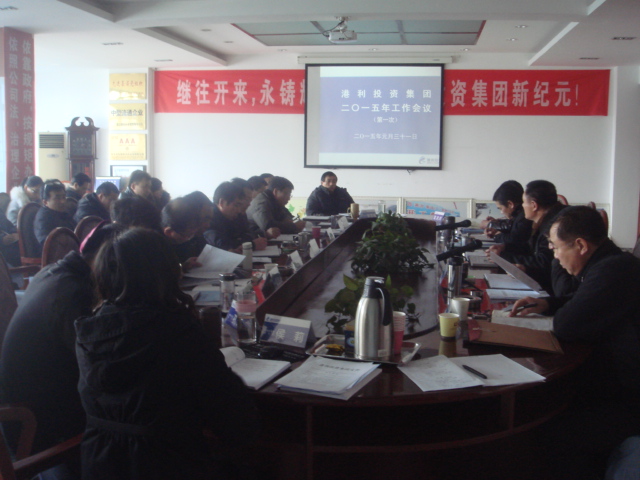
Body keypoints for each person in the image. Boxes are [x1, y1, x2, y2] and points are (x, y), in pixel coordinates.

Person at [75, 228, 259, 480]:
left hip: (100, 463)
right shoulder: (177, 331)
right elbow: (232, 417)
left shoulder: (88, 331)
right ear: (166, 273)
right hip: (168, 462)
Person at [511, 206, 640, 480]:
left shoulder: (614, 269)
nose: (555, 256)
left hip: (628, 398)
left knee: (549, 430)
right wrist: (548, 304)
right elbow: (583, 299)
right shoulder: (611, 263)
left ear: (580, 245)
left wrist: (558, 306)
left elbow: (567, 325)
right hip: (612, 382)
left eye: (556, 248)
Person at [0, 223, 126, 479]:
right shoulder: (74, 295)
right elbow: (100, 368)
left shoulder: (56, 272)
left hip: (27, 404)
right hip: (37, 426)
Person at [497, 180, 566, 293]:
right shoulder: (547, 219)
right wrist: (505, 248)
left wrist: (504, 257)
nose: (522, 206)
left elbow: (544, 262)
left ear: (534, 205)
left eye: (524, 202)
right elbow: (531, 249)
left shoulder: (553, 227)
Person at [205, 182, 268, 252]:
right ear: (222, 202)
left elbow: (247, 235)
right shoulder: (208, 219)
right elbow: (223, 245)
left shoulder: (235, 216)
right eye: (236, 205)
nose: (239, 210)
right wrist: (252, 245)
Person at [484, 180, 532, 255]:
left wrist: (496, 235)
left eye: (500, 208)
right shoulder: (518, 215)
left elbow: (513, 239)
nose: (501, 212)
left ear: (510, 204)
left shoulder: (524, 217)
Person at [34, 181, 77, 254]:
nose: (63, 201)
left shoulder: (64, 213)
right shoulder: (43, 218)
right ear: (45, 202)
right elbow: (47, 244)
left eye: (64, 197)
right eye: (57, 198)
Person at [161, 197, 203, 271]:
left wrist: (184, 265)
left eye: (193, 234)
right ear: (169, 232)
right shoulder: (155, 247)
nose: (189, 239)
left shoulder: (181, 239)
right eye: (187, 236)